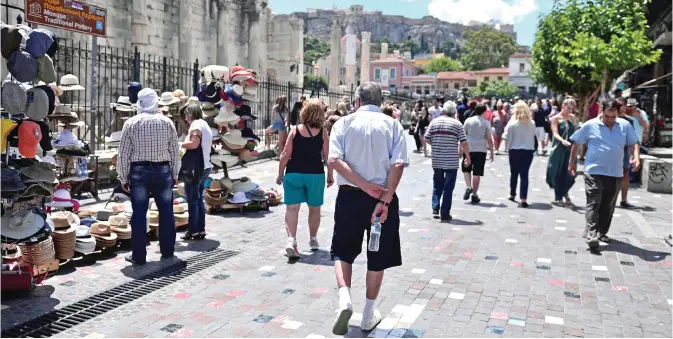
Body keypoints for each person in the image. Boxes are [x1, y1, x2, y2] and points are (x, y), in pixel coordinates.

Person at [328, 82, 408, 334]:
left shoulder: (343, 123)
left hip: (350, 196)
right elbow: (398, 164)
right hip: (382, 199)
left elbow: (334, 160)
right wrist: (384, 198)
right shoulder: (393, 125)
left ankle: (344, 299)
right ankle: (368, 313)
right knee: (378, 255)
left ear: (357, 100)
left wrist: (362, 185)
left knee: (343, 251)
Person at [118, 88, 180, 265]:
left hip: (139, 171)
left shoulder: (131, 123)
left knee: (139, 213)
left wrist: (123, 177)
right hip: (163, 171)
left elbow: (123, 154)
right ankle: (167, 252)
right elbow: (175, 151)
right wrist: (175, 173)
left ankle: (139, 255)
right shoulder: (167, 122)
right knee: (166, 212)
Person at [568, 99, 640, 249]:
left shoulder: (625, 126)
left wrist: (636, 157)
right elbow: (576, 143)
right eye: (607, 116)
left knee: (608, 205)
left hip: (615, 172)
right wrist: (571, 163)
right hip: (593, 171)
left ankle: (602, 232)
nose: (610, 120)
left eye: (613, 117)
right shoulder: (589, 125)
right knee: (594, 202)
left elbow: (633, 143)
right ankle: (592, 234)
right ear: (602, 110)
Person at [277, 98, 334, 257]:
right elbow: (328, 156)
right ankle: (313, 239)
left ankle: (291, 241)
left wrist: (280, 173)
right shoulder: (322, 133)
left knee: (292, 208)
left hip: (293, 174)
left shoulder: (294, 130)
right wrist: (330, 175)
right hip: (315, 175)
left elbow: (285, 155)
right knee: (314, 208)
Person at [424, 101, 470, 220]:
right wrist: (467, 157)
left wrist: (435, 144)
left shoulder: (434, 122)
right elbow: (464, 142)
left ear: (443, 111)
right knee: (448, 188)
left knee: (437, 183)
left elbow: (426, 138)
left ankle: (435, 207)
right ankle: (445, 213)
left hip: (437, 159)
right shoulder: (457, 124)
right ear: (454, 112)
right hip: (451, 161)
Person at [180, 103, 213, 240]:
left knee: (192, 199)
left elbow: (194, 143)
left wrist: (179, 144)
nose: (186, 120)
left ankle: (193, 230)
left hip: (196, 168)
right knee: (198, 198)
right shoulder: (205, 124)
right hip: (205, 166)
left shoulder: (195, 125)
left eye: (186, 116)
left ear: (190, 114)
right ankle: (200, 229)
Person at [502, 101, 536, 207]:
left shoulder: (512, 123)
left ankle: (512, 194)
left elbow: (505, 136)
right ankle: (523, 198)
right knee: (524, 174)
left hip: (514, 150)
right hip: (528, 151)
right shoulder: (532, 123)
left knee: (514, 173)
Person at [546, 98, 577, 206]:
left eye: (572, 109)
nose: (570, 111)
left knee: (569, 173)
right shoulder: (556, 118)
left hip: (570, 149)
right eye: (568, 108)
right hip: (559, 148)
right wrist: (562, 140)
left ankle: (565, 193)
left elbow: (576, 132)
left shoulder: (572, 118)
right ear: (563, 106)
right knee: (557, 171)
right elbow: (555, 133)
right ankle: (558, 197)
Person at [461, 103, 494, 204]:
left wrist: (460, 148)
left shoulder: (468, 120)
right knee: (477, 172)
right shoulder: (486, 122)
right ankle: (474, 194)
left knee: (466, 168)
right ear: (484, 111)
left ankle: (468, 186)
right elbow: (489, 139)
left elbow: (462, 136)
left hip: (468, 148)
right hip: (481, 149)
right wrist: (492, 152)